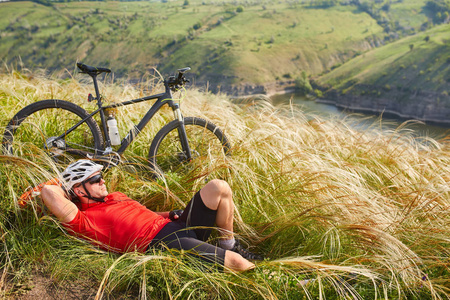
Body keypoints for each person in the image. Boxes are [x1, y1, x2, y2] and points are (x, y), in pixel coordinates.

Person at [40, 159, 262, 272]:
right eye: (95, 179)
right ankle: (277, 282)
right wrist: (60, 183)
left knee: (218, 187)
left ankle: (229, 244)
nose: (103, 181)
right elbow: (49, 193)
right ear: (79, 190)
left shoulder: (114, 196)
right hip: (162, 242)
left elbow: (141, 214)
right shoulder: (83, 220)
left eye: (101, 176)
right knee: (236, 264)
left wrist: (170, 214)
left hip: (173, 224)